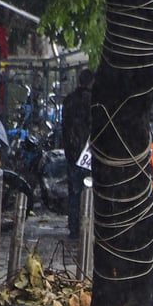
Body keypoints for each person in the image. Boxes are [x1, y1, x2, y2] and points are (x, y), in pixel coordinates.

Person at [60, 68, 93, 240]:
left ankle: (74, 227)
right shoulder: (92, 101)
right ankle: (86, 225)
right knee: (88, 190)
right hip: (88, 153)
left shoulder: (69, 100)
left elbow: (64, 126)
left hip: (72, 153)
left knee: (74, 192)